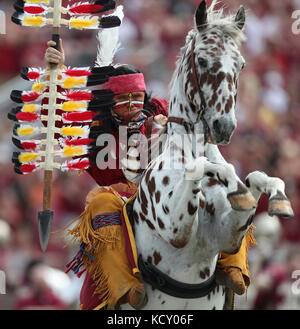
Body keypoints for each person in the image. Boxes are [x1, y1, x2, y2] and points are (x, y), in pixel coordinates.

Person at [45, 36, 255, 309]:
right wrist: (56, 75)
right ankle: (123, 285)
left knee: (227, 192)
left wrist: (169, 129)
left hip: (168, 189)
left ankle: (232, 265)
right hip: (120, 200)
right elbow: (61, 123)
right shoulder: (94, 129)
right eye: (124, 98)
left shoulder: (161, 113)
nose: (133, 104)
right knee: (98, 201)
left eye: (137, 96)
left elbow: (197, 126)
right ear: (110, 102)